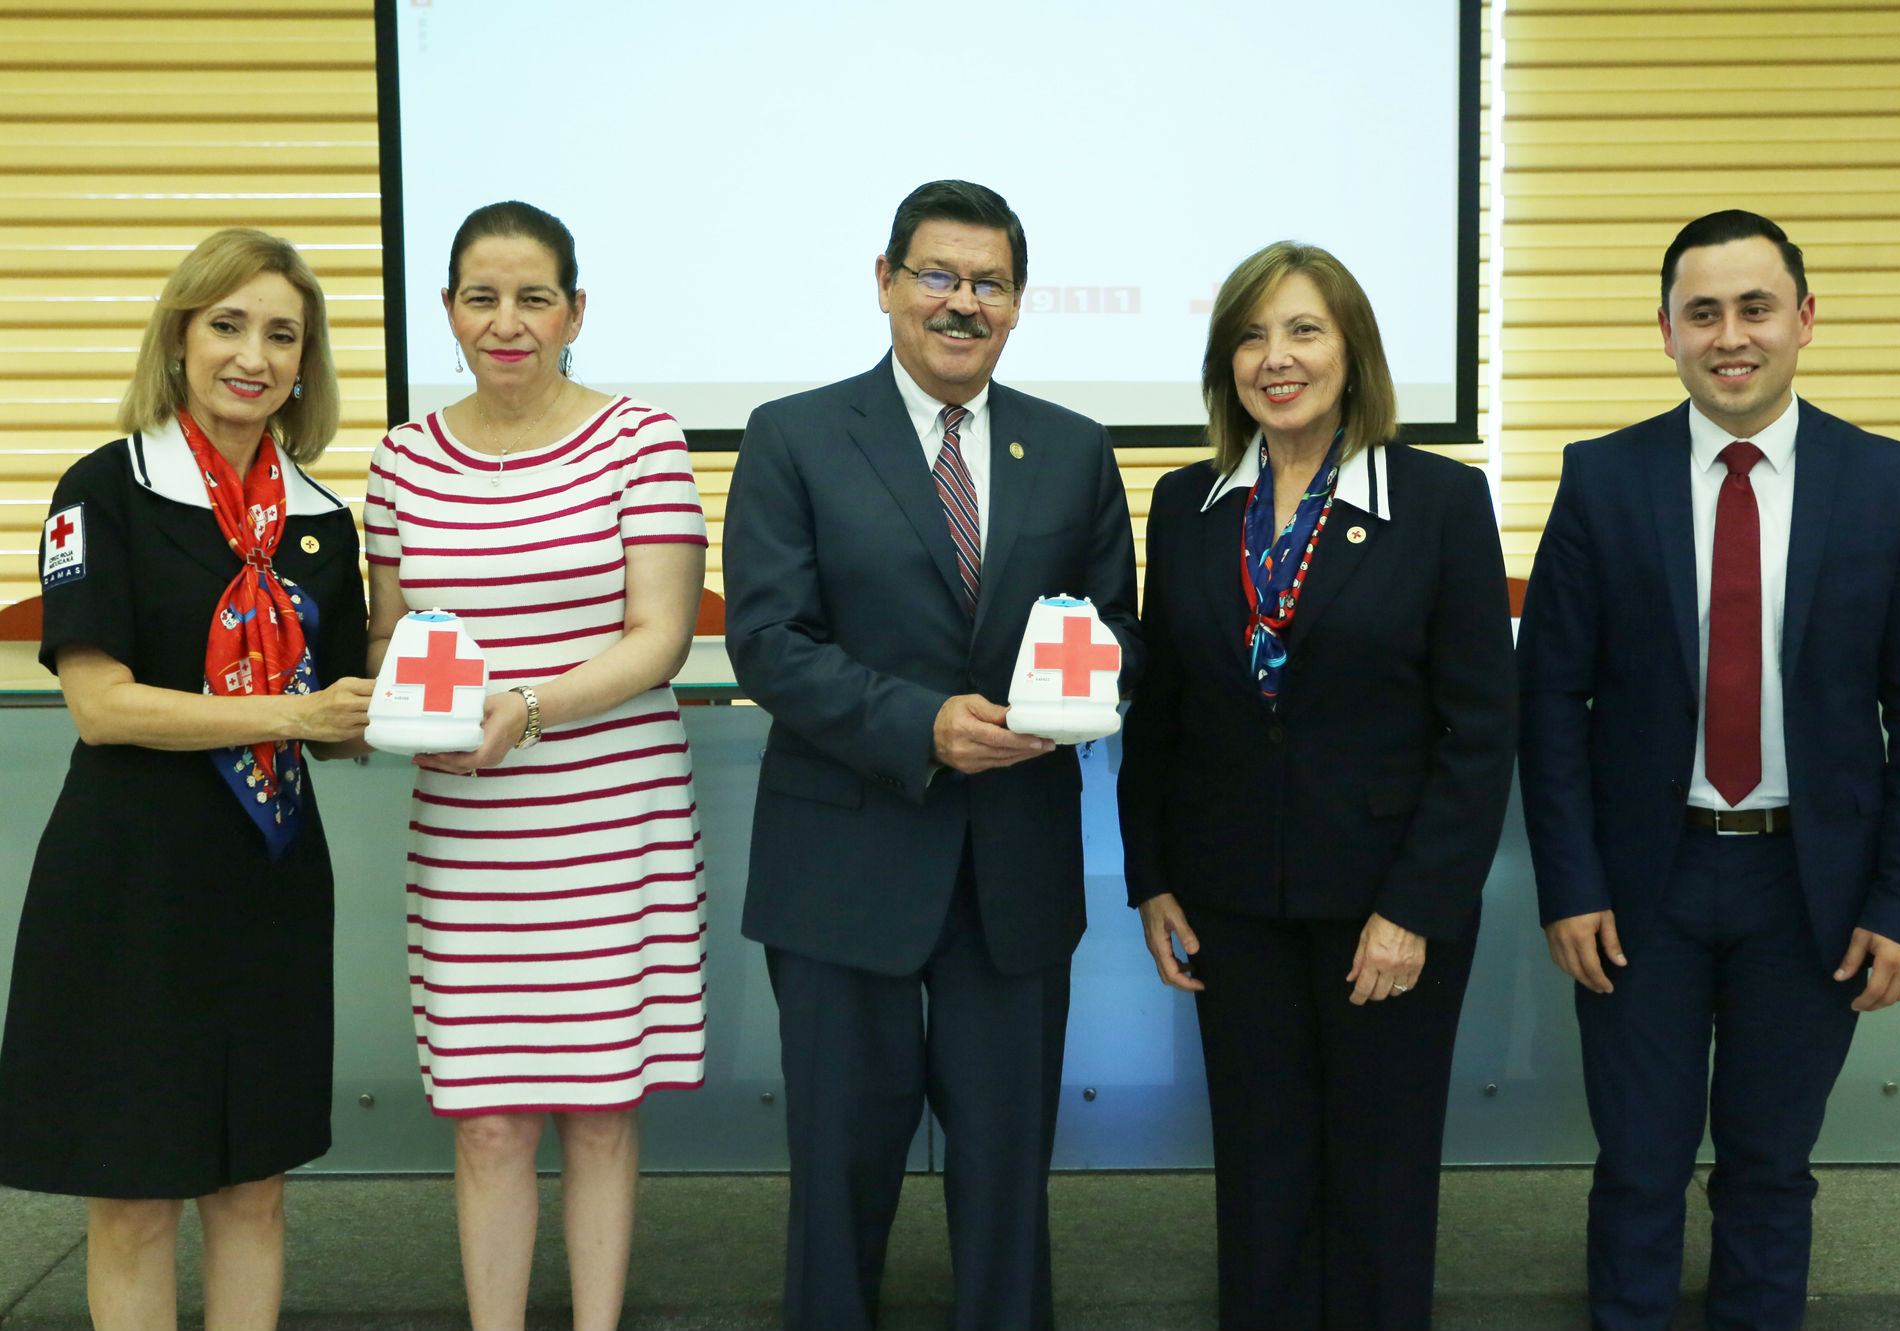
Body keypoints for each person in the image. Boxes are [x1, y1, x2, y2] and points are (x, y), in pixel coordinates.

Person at [1517, 210, 1900, 1330]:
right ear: (1664, 330)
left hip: (1807, 891)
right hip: (1640, 884)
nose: (1730, 335)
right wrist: (1568, 883)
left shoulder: (1888, 484)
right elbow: (1550, 699)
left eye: (1754, 307)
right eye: (1701, 311)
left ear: (1803, 320)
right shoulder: (1600, 478)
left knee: (1769, 1166)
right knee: (1636, 1163)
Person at [722, 179, 1141, 1330]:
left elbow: (1117, 634)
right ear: (886, 283)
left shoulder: (1071, 447)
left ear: (1016, 303)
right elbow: (765, 640)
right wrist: (921, 722)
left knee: (1006, 1179)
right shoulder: (791, 434)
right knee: (836, 1174)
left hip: (1012, 867)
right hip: (841, 865)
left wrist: (1083, 690)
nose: (961, 303)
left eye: (988, 283)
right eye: (937, 276)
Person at [1116, 241, 1517, 1330]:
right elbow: (1161, 712)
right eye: (1249, 334)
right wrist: (1148, 875)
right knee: (1258, 1169)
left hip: (1385, 903)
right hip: (1228, 899)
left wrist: (1415, 907)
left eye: (1302, 330)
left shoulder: (1436, 499)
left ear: (1352, 352)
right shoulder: (1186, 502)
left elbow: (1479, 727)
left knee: (1378, 1175)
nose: (1273, 357)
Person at [0, 228, 371, 1330]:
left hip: (269, 883)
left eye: (281, 334)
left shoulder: (318, 520)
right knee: (135, 1196)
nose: (251, 355)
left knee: (254, 1184)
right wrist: (294, 713)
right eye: (227, 324)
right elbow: (101, 703)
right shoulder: (105, 488)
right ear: (178, 338)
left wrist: (410, 704)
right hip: (129, 883)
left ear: (305, 364)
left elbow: (342, 712)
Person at [363, 200, 709, 1331]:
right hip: (467, 836)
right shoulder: (401, 458)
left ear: (573, 311)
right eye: (481, 296)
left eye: (532, 297)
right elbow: (387, 638)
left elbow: (660, 633)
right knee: (489, 1116)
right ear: (450, 311)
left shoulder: (639, 439)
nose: (506, 321)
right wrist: (427, 704)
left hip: (611, 820)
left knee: (601, 1109)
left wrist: (526, 707)